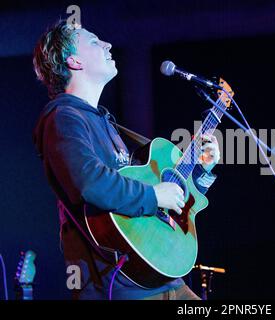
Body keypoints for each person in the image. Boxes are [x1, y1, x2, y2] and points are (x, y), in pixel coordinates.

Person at [32, 20, 220, 300]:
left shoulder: (104, 122)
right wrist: (154, 195)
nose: (107, 44)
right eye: (95, 41)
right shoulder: (63, 118)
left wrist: (201, 173)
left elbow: (153, 201)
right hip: (121, 286)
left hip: (162, 280)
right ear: (74, 61)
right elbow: (90, 182)